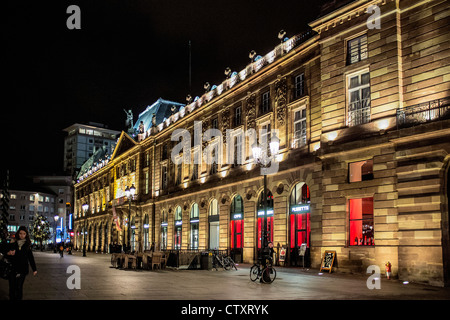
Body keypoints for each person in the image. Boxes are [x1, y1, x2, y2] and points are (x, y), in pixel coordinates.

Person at [3, 226, 37, 300]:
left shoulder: (27, 245)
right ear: (18, 234)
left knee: (19, 287)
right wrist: (8, 253)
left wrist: (34, 269)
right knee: (12, 287)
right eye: (20, 233)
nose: (22, 235)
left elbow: (30, 258)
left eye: (24, 234)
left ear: (26, 235)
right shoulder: (13, 243)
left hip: (22, 270)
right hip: (12, 269)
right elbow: (6, 253)